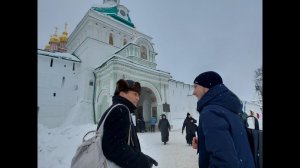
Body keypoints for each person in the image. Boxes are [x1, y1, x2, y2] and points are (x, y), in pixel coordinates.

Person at [191, 71, 255, 168]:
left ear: (207, 87)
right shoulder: (229, 109)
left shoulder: (211, 112)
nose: (193, 92)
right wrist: (204, 143)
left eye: (196, 87)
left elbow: (224, 163)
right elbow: (233, 143)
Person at [96, 79, 158, 168]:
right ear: (122, 93)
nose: (138, 98)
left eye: (139, 95)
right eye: (135, 94)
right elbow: (114, 148)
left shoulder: (117, 109)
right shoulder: (121, 110)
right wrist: (144, 161)